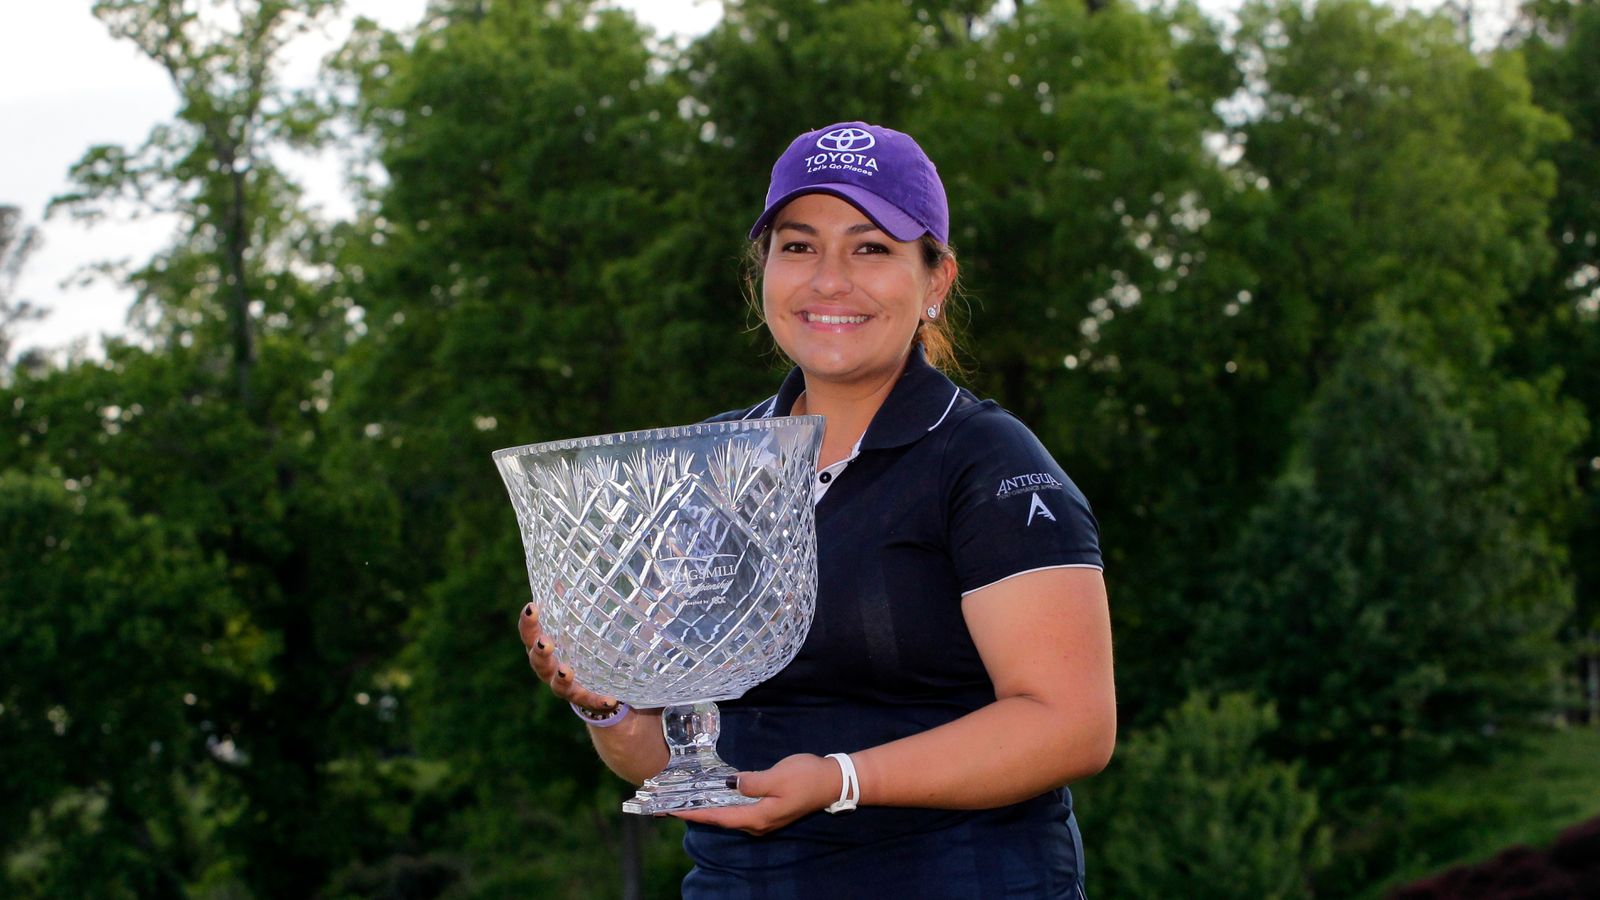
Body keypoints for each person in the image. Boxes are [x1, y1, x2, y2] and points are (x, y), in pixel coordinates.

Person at [519, 121, 1115, 898]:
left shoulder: (989, 464)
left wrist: (842, 779)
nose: (830, 279)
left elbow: (1071, 725)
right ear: (761, 273)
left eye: (871, 248)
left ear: (935, 281)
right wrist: (608, 702)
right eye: (798, 247)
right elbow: (671, 762)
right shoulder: (703, 464)